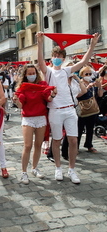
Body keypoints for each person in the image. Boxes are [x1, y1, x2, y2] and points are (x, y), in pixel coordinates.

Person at [37, 31, 100, 184]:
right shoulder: (49, 71)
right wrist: (39, 42)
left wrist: (92, 45)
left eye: (60, 56)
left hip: (70, 110)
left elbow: (83, 62)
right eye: (55, 56)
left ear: (63, 59)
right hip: (55, 111)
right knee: (57, 140)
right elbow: (40, 62)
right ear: (52, 58)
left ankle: (72, 169)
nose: (57, 58)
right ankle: (58, 168)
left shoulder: (66, 70)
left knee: (73, 140)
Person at [13, 64, 55, 184]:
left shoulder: (42, 85)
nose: (32, 75)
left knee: (38, 145)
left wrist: (53, 94)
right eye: (29, 74)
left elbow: (48, 99)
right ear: (25, 75)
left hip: (41, 117)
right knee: (27, 146)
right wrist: (16, 102)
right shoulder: (23, 87)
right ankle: (24, 172)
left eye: (33, 73)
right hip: (28, 118)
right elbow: (21, 105)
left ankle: (34, 168)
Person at [77, 66, 103, 153]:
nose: (88, 75)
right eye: (86, 74)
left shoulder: (93, 83)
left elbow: (100, 95)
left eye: (90, 74)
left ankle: (89, 144)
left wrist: (99, 87)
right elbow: (77, 95)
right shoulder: (79, 83)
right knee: (79, 128)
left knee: (90, 127)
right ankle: (76, 146)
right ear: (82, 75)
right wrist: (87, 87)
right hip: (82, 107)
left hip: (92, 107)